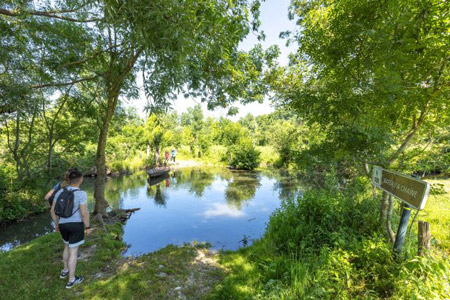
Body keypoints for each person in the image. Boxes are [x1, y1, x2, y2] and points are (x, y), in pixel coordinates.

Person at [50, 169, 92, 289]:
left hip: (63, 224)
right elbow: (84, 213)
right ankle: (71, 280)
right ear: (80, 180)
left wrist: (57, 224)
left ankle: (64, 271)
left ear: (69, 179)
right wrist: (88, 227)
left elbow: (52, 210)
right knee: (73, 252)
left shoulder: (59, 192)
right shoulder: (81, 194)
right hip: (76, 225)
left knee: (67, 247)